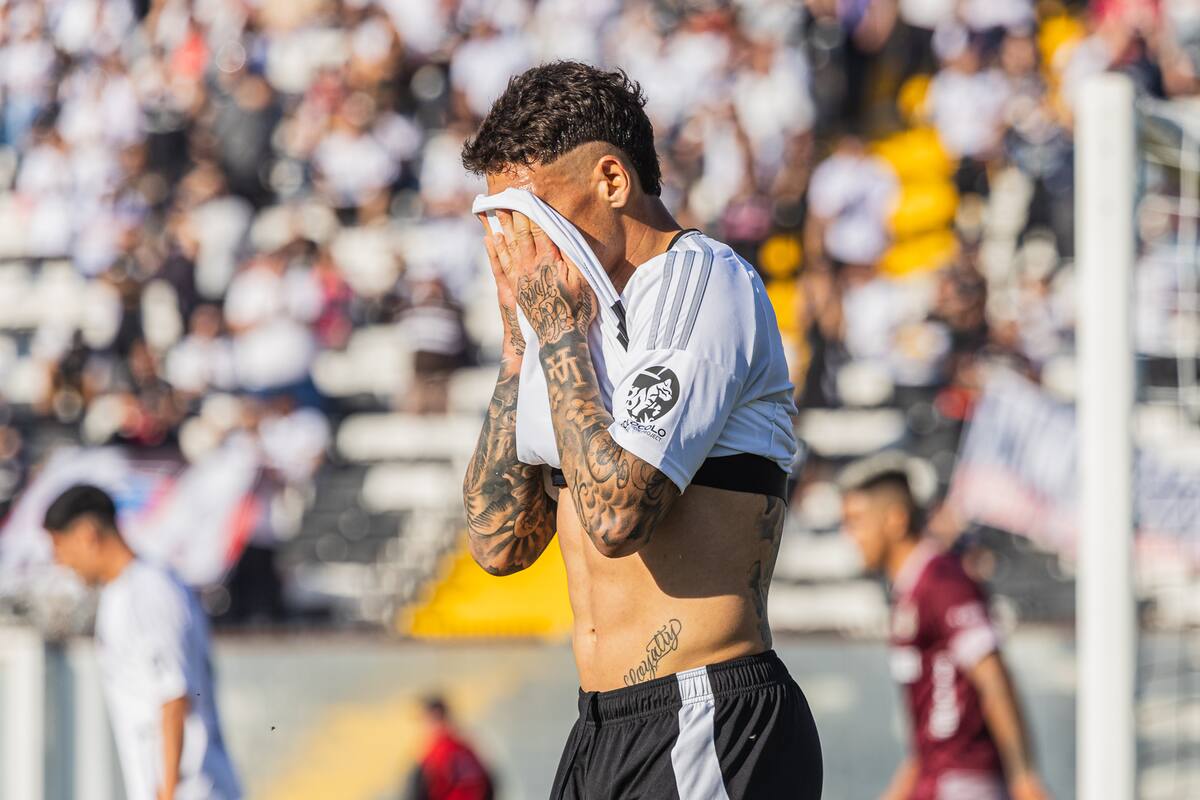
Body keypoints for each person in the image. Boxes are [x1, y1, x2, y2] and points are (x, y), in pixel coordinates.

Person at [459, 62, 822, 798]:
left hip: (707, 711)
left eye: (532, 213)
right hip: (602, 727)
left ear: (611, 180)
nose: (520, 245)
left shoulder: (704, 282)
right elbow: (498, 544)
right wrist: (520, 346)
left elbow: (618, 516)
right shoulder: (565, 313)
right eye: (503, 223)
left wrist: (558, 334)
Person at [839, 453, 1049, 800]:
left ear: (894, 519)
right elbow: (931, 728)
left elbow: (992, 675)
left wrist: (1024, 777)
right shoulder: (911, 589)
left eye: (856, 521)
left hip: (964, 780)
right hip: (937, 777)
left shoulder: (941, 581)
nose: (849, 535)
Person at [43, 485, 242, 800]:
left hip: (191, 791)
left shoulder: (148, 590)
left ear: (86, 534)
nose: (60, 561)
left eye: (59, 546)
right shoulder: (120, 594)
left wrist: (167, 793)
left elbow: (174, 697)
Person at [404, 696, 495, 800]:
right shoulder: (465, 748)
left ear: (435, 716)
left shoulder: (437, 753)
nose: (422, 727)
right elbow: (489, 785)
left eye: (423, 720)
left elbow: (418, 793)